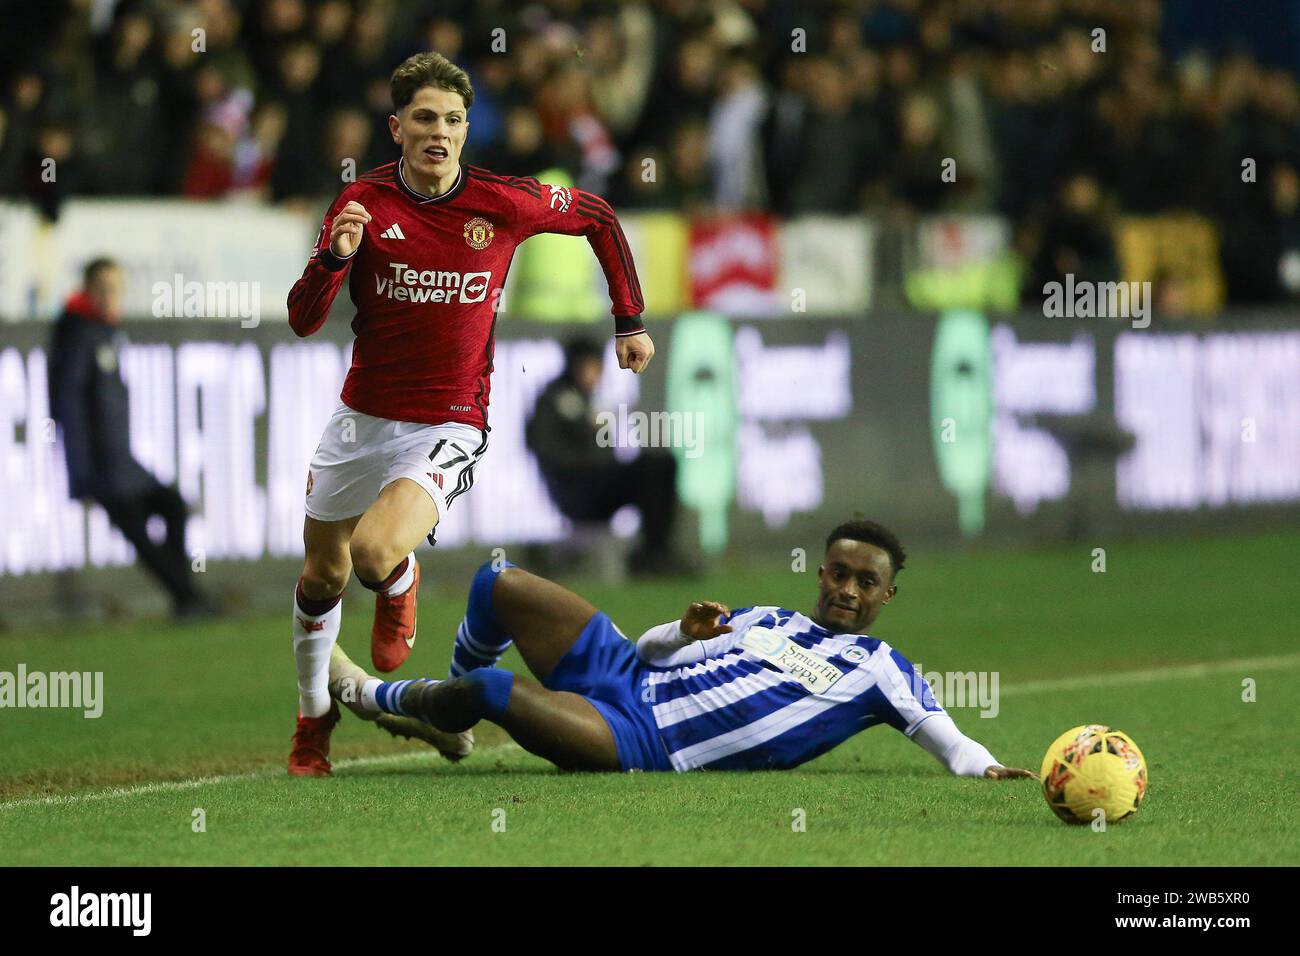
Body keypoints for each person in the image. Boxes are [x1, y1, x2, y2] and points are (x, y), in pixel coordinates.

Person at [284, 52, 654, 776]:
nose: (440, 132)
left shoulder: (503, 202)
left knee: (372, 553)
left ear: (465, 128)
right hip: (361, 418)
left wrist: (628, 320)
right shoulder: (362, 202)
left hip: (449, 420)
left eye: (453, 119)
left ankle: (399, 584)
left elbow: (600, 217)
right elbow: (303, 320)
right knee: (322, 574)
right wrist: (333, 259)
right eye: (424, 118)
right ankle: (312, 722)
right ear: (396, 128)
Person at [326, 520, 1036, 779]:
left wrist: (991, 768)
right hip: (628, 674)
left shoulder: (884, 672)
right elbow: (654, 651)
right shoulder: (766, 618)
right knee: (498, 581)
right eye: (840, 573)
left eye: (867, 582)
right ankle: (453, 719)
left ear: (887, 597)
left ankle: (371, 696)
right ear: (821, 573)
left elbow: (950, 741)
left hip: (643, 738)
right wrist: (681, 632)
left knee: (493, 690)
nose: (849, 588)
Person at [47, 258, 219, 619]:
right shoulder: (78, 334)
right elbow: (68, 406)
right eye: (105, 288)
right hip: (101, 466)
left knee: (171, 507)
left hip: (123, 462)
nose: (113, 296)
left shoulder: (101, 331)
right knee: (143, 534)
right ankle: (189, 599)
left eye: (117, 288)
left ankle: (186, 598)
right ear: (88, 290)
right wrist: (80, 477)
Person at [525, 337, 683, 575]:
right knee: (651, 468)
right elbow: (549, 452)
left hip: (595, 484)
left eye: (597, 367)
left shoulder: (587, 401)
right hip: (574, 490)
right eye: (587, 367)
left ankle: (656, 550)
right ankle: (653, 555)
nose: (594, 375)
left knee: (659, 465)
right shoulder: (553, 400)